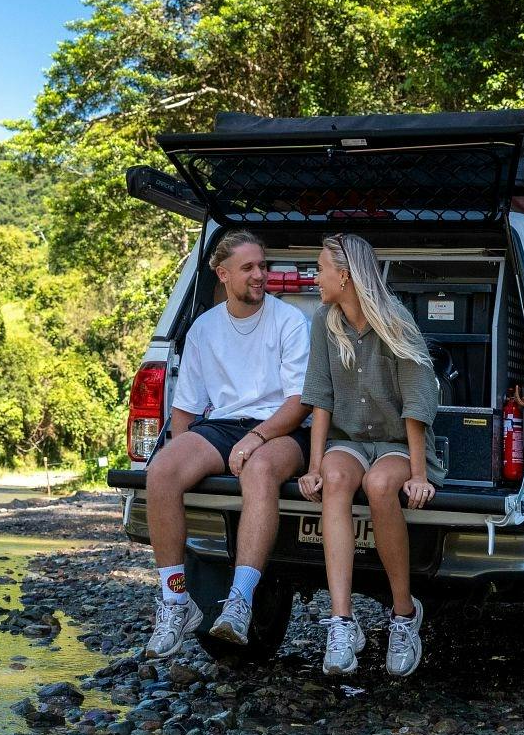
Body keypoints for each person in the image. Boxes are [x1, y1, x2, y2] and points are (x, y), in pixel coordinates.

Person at [142, 229, 310, 658]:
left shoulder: (289, 320)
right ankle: (176, 601)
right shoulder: (204, 327)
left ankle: (238, 602)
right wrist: (185, 465)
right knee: (161, 470)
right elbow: (186, 410)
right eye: (249, 268)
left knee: (259, 469)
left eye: (264, 266)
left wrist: (256, 438)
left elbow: (299, 403)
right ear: (223, 274)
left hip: (282, 429)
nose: (260, 275)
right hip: (222, 428)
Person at [298, 231, 446, 678]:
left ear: (344, 275)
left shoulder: (395, 318)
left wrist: (418, 475)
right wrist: (312, 468)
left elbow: (418, 402)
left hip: (399, 443)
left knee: (381, 486)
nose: (315, 276)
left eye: (321, 268)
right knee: (337, 479)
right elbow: (320, 397)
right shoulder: (325, 319)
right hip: (349, 439)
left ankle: (404, 615)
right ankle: (342, 622)